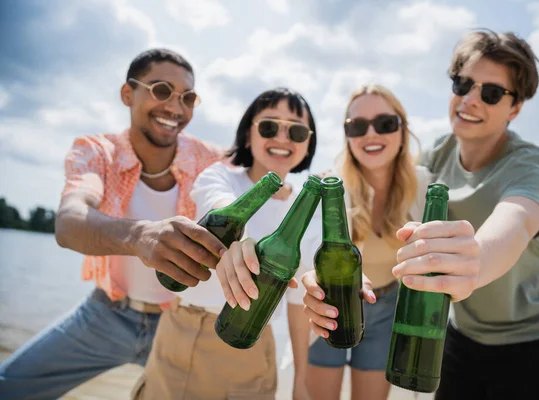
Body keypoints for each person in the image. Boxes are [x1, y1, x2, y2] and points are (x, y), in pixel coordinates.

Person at [303, 29, 539, 400]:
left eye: (491, 93)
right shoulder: (434, 159)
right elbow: (386, 181)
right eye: (462, 84)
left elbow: (517, 220)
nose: (470, 100)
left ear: (515, 108)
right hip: (457, 333)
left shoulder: (531, 164)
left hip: (527, 340)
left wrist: (480, 258)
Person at [0, 48, 225, 400]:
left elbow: (264, 168)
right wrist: (139, 234)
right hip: (107, 315)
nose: (175, 108)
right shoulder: (96, 152)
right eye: (161, 90)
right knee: (10, 386)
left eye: (188, 98)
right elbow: (70, 221)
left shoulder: (210, 158)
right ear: (127, 93)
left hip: (182, 321)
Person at [133, 87, 319, 400]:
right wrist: (241, 241)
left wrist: (301, 380)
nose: (283, 138)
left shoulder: (308, 211)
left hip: (253, 341)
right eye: (269, 126)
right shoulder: (220, 176)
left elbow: (298, 303)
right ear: (249, 135)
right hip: (185, 333)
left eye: (296, 131)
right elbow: (220, 208)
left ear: (307, 144)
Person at [306, 84, 431, 400]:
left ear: (403, 130)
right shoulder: (330, 188)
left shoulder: (425, 184)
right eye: (358, 126)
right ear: (347, 136)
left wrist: (538, 236)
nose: (371, 134)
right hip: (331, 302)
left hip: (388, 306)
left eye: (385, 123)